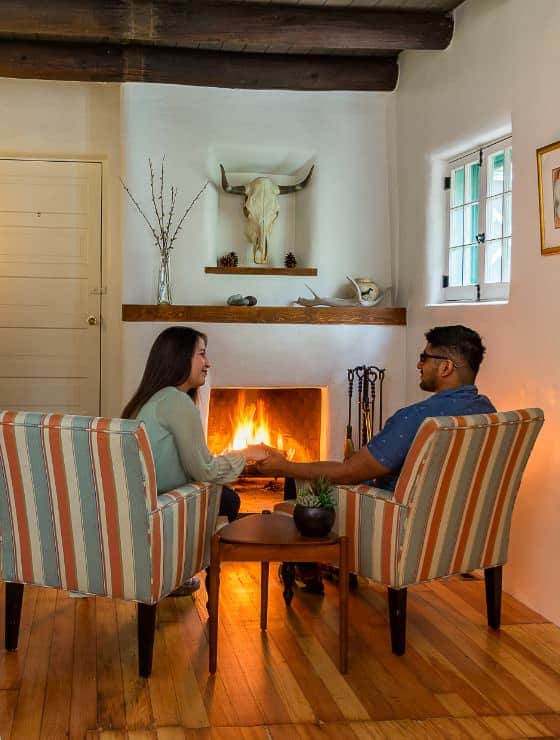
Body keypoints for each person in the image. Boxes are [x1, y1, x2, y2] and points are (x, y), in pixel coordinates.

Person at [257, 324, 496, 492]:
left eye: (424, 357)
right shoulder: (489, 413)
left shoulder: (416, 419)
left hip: (393, 519)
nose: (418, 364)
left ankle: (303, 564)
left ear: (445, 367)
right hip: (461, 531)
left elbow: (350, 473)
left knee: (297, 484)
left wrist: (286, 467)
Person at [122, 326, 268, 595]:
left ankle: (176, 571)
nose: (208, 363)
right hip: (161, 505)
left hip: (144, 502)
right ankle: (177, 571)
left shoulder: (155, 398)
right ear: (180, 358)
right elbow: (205, 469)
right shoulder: (175, 401)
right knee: (229, 499)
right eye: (201, 354)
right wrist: (248, 454)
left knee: (224, 496)